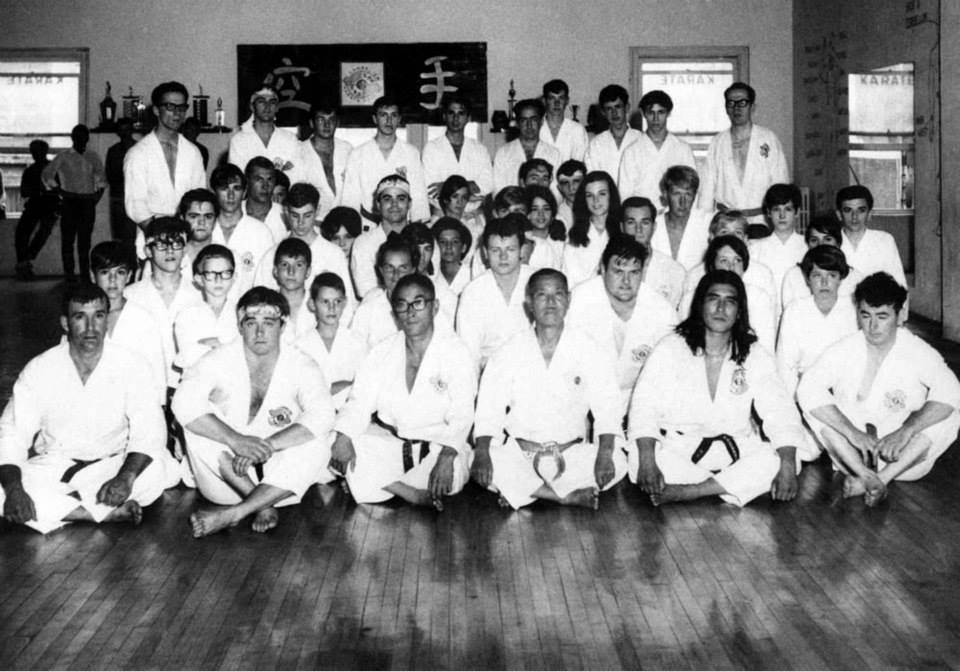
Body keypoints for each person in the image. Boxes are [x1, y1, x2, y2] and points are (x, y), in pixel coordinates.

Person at [0, 284, 174, 533]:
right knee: (2, 488)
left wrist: (125, 478)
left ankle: (60, 510)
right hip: (55, 463)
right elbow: (12, 434)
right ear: (65, 322)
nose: (91, 328)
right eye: (80, 317)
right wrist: (15, 491)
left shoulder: (133, 364)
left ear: (107, 319)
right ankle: (95, 514)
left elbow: (149, 432)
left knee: (157, 470)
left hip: (113, 463)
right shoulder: (40, 368)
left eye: (99, 316)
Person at [628, 270, 805, 507]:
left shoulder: (753, 353)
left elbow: (779, 410)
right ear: (700, 305)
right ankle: (727, 487)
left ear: (739, 310)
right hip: (681, 449)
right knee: (637, 459)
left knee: (785, 459)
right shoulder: (671, 348)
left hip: (735, 449)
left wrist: (788, 465)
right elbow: (644, 405)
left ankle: (691, 492)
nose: (721, 308)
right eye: (713, 299)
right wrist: (648, 460)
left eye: (729, 301)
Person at [173, 287, 336, 537]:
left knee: (320, 442)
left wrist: (267, 446)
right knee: (195, 424)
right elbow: (182, 403)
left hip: (278, 481)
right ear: (240, 324)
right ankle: (260, 505)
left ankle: (238, 513)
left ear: (282, 325)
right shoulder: (218, 359)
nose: (260, 332)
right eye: (251, 322)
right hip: (226, 482)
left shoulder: (300, 363)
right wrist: (235, 440)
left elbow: (323, 414)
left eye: (268, 322)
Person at [797, 273, 960, 506]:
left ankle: (879, 479)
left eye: (882, 316)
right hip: (851, 455)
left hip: (902, 459)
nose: (873, 326)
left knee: (952, 411)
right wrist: (853, 433)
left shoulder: (916, 350)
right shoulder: (845, 348)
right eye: (866, 315)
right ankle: (867, 477)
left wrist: (906, 431)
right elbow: (808, 389)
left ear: (900, 314)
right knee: (810, 404)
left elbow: (950, 391)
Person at [471, 268, 627, 510]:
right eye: (542, 295)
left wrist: (605, 454)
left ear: (569, 300)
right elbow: (488, 413)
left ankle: (525, 493)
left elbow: (607, 409)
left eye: (558, 294)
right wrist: (482, 452)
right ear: (529, 304)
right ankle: (564, 497)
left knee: (618, 459)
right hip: (521, 456)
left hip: (571, 455)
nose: (551, 302)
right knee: (479, 459)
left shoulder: (589, 348)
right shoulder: (508, 351)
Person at [330, 274, 477, 508]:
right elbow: (359, 402)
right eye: (402, 305)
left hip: (438, 449)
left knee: (452, 478)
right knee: (341, 439)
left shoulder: (456, 353)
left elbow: (463, 414)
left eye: (418, 303)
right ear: (394, 313)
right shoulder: (382, 352)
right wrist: (344, 436)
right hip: (393, 445)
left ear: (435, 307)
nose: (410, 312)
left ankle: (381, 484)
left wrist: (447, 456)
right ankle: (411, 494)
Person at [567, 236, 677, 414]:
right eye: (618, 272)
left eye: (634, 272)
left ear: (643, 271)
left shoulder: (662, 311)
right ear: (602, 269)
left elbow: (671, 372)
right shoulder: (578, 301)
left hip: (640, 403)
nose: (626, 281)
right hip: (582, 399)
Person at [123, 81, 206, 258]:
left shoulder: (193, 152)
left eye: (182, 107)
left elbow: (199, 197)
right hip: (152, 242)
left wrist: (186, 236)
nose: (177, 113)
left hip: (187, 241)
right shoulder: (138, 153)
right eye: (170, 106)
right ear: (155, 110)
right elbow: (136, 205)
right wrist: (162, 237)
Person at [252, 182, 353, 319]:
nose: (300, 223)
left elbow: (346, 306)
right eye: (295, 215)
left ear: (317, 211)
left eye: (307, 215)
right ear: (286, 212)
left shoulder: (334, 255)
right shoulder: (272, 255)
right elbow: (258, 302)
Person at [124, 216, 201, 392]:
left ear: (185, 249)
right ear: (148, 251)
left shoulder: (199, 295)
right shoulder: (130, 296)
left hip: (187, 389)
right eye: (161, 245)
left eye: (176, 244)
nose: (170, 251)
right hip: (145, 389)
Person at [700, 82, 790, 233]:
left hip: (761, 222)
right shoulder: (718, 142)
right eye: (731, 103)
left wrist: (779, 225)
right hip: (727, 224)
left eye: (742, 102)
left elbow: (780, 186)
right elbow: (707, 190)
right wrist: (704, 226)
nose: (737, 108)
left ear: (752, 107)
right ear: (726, 108)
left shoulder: (768, 139)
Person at [90, 241, 167, 405]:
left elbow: (157, 373)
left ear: (129, 276)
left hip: (134, 402)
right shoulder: (83, 317)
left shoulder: (142, 318)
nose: (112, 280)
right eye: (105, 272)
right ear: (92, 275)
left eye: (120, 272)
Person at [776, 245, 858, 396]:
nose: (824, 282)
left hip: (846, 390)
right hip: (804, 391)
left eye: (832, 276)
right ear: (808, 280)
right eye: (817, 276)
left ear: (840, 279)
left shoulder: (853, 310)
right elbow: (785, 366)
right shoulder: (795, 310)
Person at [456, 215, 533, 368]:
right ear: (485, 253)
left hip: (532, 370)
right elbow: (468, 353)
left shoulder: (537, 283)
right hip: (490, 376)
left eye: (510, 249)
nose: (503, 256)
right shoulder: (473, 292)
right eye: (495, 250)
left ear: (522, 250)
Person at [341, 96, 429, 223]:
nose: (389, 120)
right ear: (375, 119)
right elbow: (350, 198)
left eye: (393, 115)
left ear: (399, 119)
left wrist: (418, 228)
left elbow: (418, 195)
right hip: (368, 224)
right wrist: (350, 227)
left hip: (401, 225)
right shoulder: (358, 154)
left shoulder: (411, 153)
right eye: (383, 115)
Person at [294, 272, 368, 410]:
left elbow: (364, 387)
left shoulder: (358, 342)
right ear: (312, 304)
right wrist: (342, 385)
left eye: (337, 301)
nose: (332, 308)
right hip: (312, 415)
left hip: (350, 414)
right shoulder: (300, 345)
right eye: (325, 302)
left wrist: (328, 389)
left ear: (344, 303)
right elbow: (301, 391)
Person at [41, 124, 106, 281]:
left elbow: (102, 179)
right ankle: (69, 274)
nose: (81, 139)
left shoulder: (93, 156)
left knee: (85, 241)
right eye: (77, 136)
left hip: (87, 203)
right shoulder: (63, 156)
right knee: (68, 241)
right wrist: (59, 191)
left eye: (84, 136)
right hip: (70, 202)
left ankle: (85, 275)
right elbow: (47, 174)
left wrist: (96, 196)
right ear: (72, 138)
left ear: (87, 138)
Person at [617, 90, 696, 208]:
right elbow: (625, 195)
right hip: (643, 218)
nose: (655, 118)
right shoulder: (632, 151)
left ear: (668, 113)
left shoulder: (682, 148)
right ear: (643, 114)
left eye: (660, 112)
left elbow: (692, 188)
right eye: (651, 113)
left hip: (676, 216)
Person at [207, 163, 275, 297]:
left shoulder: (261, 232)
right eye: (224, 188)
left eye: (236, 188)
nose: (231, 195)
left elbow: (267, 281)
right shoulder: (206, 228)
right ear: (214, 192)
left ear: (244, 192)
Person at [349, 174, 416, 299]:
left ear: (409, 204)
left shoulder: (423, 239)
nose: (394, 204)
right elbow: (366, 291)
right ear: (378, 204)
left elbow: (429, 284)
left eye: (401, 199)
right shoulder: (363, 244)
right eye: (387, 199)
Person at [174, 244, 238, 371]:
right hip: (196, 383)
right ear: (199, 279)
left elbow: (246, 356)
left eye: (225, 273)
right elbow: (188, 357)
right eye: (210, 274)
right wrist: (226, 345)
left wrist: (214, 346)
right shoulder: (187, 315)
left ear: (234, 277)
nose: (218, 280)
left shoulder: (242, 313)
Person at [422, 95, 493, 209]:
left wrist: (446, 187)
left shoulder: (480, 149)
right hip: (442, 214)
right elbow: (431, 189)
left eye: (461, 113)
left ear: (468, 118)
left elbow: (487, 184)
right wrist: (470, 187)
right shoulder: (431, 148)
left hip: (473, 215)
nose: (456, 118)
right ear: (444, 116)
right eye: (451, 113)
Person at [781, 214, 865, 309]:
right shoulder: (794, 275)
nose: (820, 244)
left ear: (838, 243)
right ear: (808, 244)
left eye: (827, 239)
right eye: (814, 240)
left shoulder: (855, 277)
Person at [350, 233, 418, 348]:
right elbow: (353, 352)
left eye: (403, 268)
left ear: (413, 270)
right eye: (389, 268)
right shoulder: (369, 308)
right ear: (381, 270)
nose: (396, 275)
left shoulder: (424, 305)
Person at [748, 183, 807, 313]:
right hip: (765, 314)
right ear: (768, 213)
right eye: (776, 209)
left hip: (800, 314)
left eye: (788, 209)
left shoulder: (807, 247)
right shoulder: (754, 249)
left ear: (797, 212)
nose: (782, 215)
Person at [620, 196, 686, 309]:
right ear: (622, 227)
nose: (638, 229)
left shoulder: (674, 271)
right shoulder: (609, 267)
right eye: (631, 222)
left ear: (654, 227)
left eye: (645, 222)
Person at [835, 185, 907, 288]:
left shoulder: (884, 240)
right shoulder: (830, 242)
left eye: (861, 210)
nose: (854, 216)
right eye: (848, 210)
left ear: (869, 213)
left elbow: (900, 284)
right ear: (838, 214)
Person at [294, 102, 353, 220]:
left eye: (331, 120)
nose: (327, 124)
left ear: (337, 123)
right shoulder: (299, 151)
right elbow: (296, 194)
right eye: (321, 120)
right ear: (312, 123)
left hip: (345, 221)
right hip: (313, 223)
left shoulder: (347, 149)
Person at [562, 171, 621, 287]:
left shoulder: (622, 230)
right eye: (590, 195)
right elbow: (568, 279)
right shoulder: (575, 235)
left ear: (611, 196)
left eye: (602, 194)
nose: (596, 201)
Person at [649, 165, 712, 271]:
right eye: (676, 193)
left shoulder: (706, 223)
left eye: (688, 194)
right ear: (665, 195)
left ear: (695, 196)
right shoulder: (653, 225)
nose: (682, 202)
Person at [228, 86, 299, 179]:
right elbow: (238, 178)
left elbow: (295, 174)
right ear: (252, 107)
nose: (267, 106)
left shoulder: (290, 139)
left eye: (272, 102)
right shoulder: (238, 140)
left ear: (277, 107)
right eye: (261, 101)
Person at [493, 99, 562, 192]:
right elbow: (498, 189)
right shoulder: (504, 153)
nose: (529, 125)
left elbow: (556, 191)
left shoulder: (554, 154)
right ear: (517, 123)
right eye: (524, 120)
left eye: (533, 120)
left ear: (541, 121)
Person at [15, 139, 58, 280]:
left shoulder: (53, 169)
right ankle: (24, 263)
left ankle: (26, 260)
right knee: (21, 234)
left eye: (37, 152)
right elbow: (24, 192)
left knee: (42, 232)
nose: (35, 154)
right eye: (33, 152)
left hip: (49, 206)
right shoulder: (30, 171)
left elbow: (60, 189)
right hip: (35, 205)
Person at [585, 85, 642, 181]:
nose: (614, 113)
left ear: (627, 107)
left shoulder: (641, 139)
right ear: (603, 112)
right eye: (609, 109)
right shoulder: (596, 144)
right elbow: (593, 177)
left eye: (618, 107)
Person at [271, 238, 316, 344]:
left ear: (308, 271)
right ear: (276, 271)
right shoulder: (266, 306)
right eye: (285, 265)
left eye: (299, 265)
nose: (291, 271)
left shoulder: (319, 305)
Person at [104, 118, 137, 245]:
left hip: (136, 199)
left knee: (134, 235)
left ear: (132, 130)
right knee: (118, 236)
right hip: (118, 198)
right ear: (117, 132)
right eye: (121, 130)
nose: (124, 134)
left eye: (127, 130)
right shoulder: (113, 151)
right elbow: (109, 175)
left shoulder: (140, 148)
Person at [539, 79, 588, 162]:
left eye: (561, 98)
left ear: (567, 100)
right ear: (544, 101)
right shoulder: (536, 128)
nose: (557, 103)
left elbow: (580, 163)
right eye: (552, 98)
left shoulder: (577, 130)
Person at [241, 157, 286, 241]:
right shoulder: (235, 211)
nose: (265, 186)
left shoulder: (284, 215)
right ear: (247, 181)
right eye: (259, 179)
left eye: (269, 180)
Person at [524, 185, 564, 271]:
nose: (541, 214)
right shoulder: (524, 240)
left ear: (553, 214)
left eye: (546, 209)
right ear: (528, 214)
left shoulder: (561, 243)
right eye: (535, 209)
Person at [433, 216, 473, 297]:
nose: (448, 246)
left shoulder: (472, 276)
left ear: (463, 247)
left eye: (455, 242)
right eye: (443, 242)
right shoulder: (432, 276)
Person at [178, 188, 218, 269]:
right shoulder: (170, 255)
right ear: (182, 219)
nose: (201, 222)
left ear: (215, 220)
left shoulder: (227, 254)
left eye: (208, 216)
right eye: (194, 216)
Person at [554, 159, 585, 230]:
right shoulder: (556, 216)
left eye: (576, 181)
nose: (571, 188)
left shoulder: (596, 210)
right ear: (559, 188)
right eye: (565, 183)